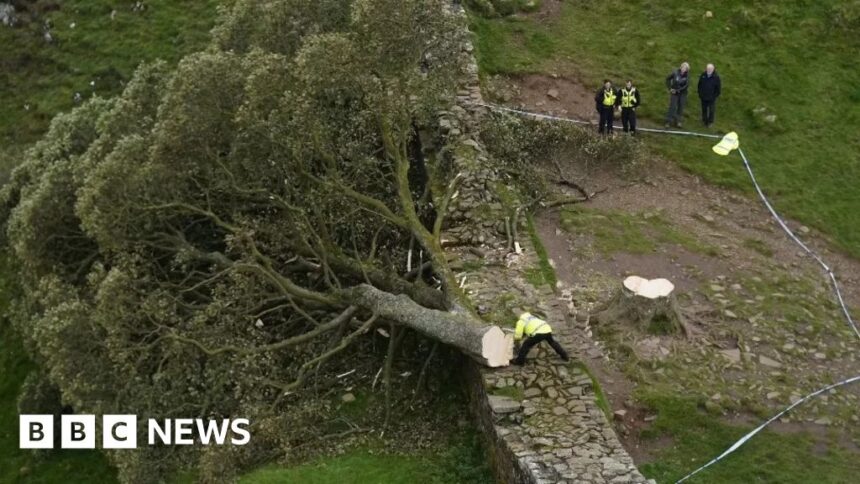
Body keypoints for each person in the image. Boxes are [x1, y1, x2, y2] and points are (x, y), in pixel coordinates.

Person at [664, 62, 690, 128]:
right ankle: (668, 122)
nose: (683, 69)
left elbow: (686, 85)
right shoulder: (675, 73)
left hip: (682, 93)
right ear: (681, 67)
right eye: (683, 67)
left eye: (685, 68)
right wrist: (670, 88)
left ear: (687, 69)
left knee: (680, 107)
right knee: (672, 106)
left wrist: (679, 90)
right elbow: (667, 79)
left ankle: (678, 122)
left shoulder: (687, 76)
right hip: (674, 93)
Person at [697, 63, 721, 128]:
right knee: (704, 109)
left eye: (710, 69)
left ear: (713, 69)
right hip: (703, 96)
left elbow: (718, 89)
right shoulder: (703, 75)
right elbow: (699, 85)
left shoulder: (716, 77)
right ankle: (704, 121)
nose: (709, 70)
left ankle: (710, 122)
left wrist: (714, 96)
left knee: (711, 110)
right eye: (708, 68)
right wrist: (700, 93)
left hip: (711, 98)